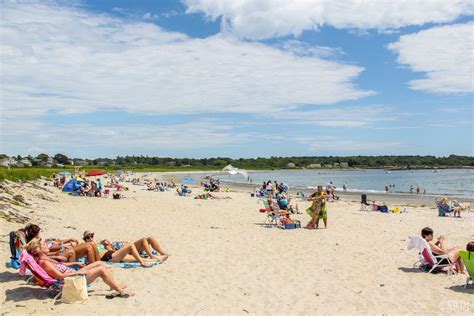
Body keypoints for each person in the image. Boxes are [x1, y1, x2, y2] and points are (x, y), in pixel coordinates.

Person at [26, 238, 133, 298]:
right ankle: (120, 291)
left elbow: (61, 266)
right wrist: (79, 272)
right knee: (100, 270)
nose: (46, 245)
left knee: (99, 263)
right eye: (43, 244)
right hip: (69, 281)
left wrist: (75, 263)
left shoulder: (45, 258)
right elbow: (60, 276)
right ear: (38, 249)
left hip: (73, 274)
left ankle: (114, 286)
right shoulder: (44, 262)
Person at [83, 231, 169, 266]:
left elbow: (107, 245)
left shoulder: (98, 243)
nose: (90, 238)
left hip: (114, 254)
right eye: (88, 237)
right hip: (109, 256)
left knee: (137, 257)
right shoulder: (87, 246)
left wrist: (105, 243)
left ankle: (159, 258)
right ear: (85, 239)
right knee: (130, 245)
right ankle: (146, 260)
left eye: (92, 236)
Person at [25, 224, 100, 263]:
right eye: (39, 232)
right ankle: (94, 265)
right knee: (89, 246)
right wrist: (62, 247)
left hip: (60, 252)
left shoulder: (38, 241)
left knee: (91, 244)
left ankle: (98, 264)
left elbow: (56, 243)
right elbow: (47, 252)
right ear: (37, 233)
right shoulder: (36, 244)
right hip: (61, 254)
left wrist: (68, 241)